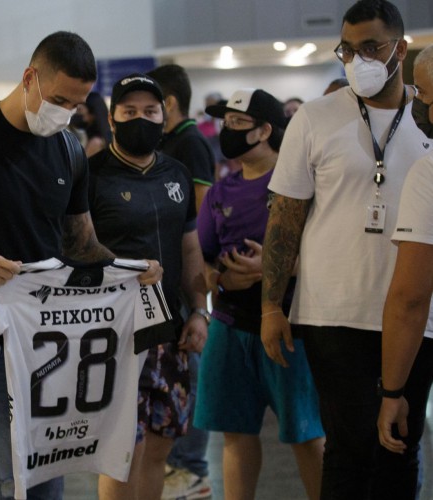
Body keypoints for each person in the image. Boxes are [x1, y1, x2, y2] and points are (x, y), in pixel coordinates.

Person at [0, 32, 161, 499]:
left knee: (46, 473)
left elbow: (81, 243)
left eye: (77, 104)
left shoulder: (66, 148)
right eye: (59, 99)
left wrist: (129, 269)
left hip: (47, 341)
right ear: (29, 78)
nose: (65, 112)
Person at [260, 1, 432, 498]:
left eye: (372, 48)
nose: (359, 60)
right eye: (348, 50)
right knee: (349, 447)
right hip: (332, 312)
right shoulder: (314, 119)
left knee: (402, 444)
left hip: (417, 314)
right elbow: (285, 217)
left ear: (400, 49)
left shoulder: (429, 118)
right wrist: (272, 304)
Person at [194, 88, 324, 500]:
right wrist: (219, 280)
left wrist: (274, 268)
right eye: (225, 123)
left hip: (291, 326)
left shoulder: (301, 184)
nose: (228, 131)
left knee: (306, 434)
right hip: (230, 326)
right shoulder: (220, 192)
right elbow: (203, 261)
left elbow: (328, 254)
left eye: (238, 124)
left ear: (266, 130)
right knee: (234, 433)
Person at [88, 73, 208, 500]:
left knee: (160, 446)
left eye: (150, 112)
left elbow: (190, 247)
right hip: (115, 337)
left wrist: (199, 310)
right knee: (122, 453)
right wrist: (120, 270)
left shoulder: (176, 171)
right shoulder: (91, 175)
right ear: (113, 117)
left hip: (170, 332)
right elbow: (73, 252)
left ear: (165, 115)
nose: (141, 118)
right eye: (130, 111)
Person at [144, 64, 214, 500]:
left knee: (190, 372)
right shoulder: (170, 142)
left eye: (148, 107)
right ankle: (180, 465)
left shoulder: (190, 144)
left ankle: (191, 469)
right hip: (165, 281)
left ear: (168, 103)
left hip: (188, 282)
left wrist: (199, 291)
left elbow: (201, 219)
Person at [377, 45, 433, 456]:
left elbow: (411, 297)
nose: (421, 106)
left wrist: (393, 390)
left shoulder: (429, 173)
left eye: (427, 96)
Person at [148, 64, 215, 212]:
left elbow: (202, 202)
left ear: (169, 103)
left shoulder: (191, 142)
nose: (146, 109)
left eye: (151, 102)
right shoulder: (168, 138)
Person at [71, 91, 112, 157]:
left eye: (79, 110)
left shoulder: (96, 143)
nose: (75, 114)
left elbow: (81, 166)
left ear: (92, 115)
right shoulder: (102, 137)